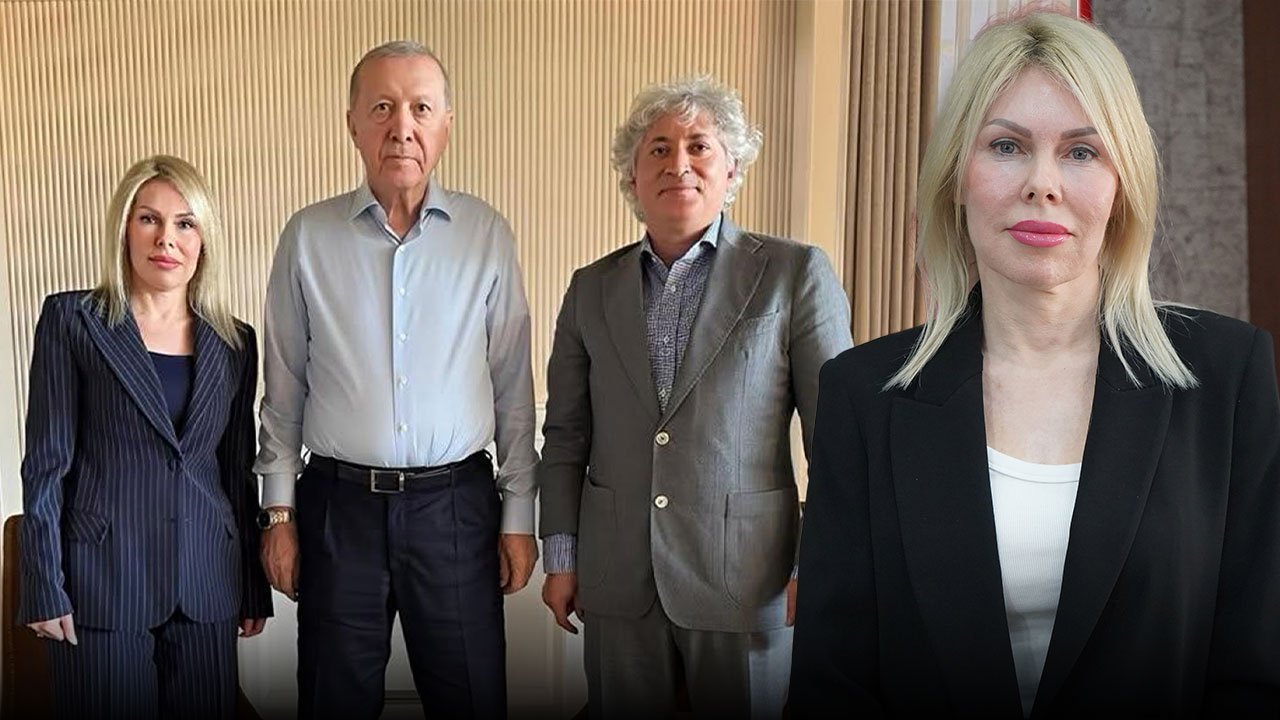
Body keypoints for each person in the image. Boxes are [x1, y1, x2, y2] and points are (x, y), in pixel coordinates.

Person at [790, 10, 1280, 718]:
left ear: (1121, 183)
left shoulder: (1227, 376)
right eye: (1006, 146)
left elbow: (1257, 662)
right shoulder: (864, 393)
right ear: (956, 177)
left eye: (1081, 152)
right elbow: (831, 683)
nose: (1042, 183)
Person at [538, 75, 852, 719]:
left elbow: (839, 441)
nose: (677, 163)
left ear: (731, 168)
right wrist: (561, 556)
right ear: (631, 176)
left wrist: (816, 565)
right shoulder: (590, 288)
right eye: (657, 149)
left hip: (748, 578)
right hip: (617, 578)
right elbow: (566, 434)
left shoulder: (793, 273)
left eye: (699, 146)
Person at [254, 40, 539, 720]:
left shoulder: (486, 235)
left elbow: (513, 389)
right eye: (381, 107)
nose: (401, 127)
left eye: (420, 108)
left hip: (456, 508)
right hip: (338, 510)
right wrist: (279, 514)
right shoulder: (307, 236)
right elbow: (284, 388)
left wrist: (519, 516)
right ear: (353, 123)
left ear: (446, 125)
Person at [18, 154, 272, 720]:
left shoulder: (235, 341)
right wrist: (43, 584)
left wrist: (252, 586)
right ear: (125, 228)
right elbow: (46, 467)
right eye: (148, 219)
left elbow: (236, 471)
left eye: (185, 223)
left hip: (206, 585)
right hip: (103, 585)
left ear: (204, 238)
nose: (166, 239)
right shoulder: (73, 320)